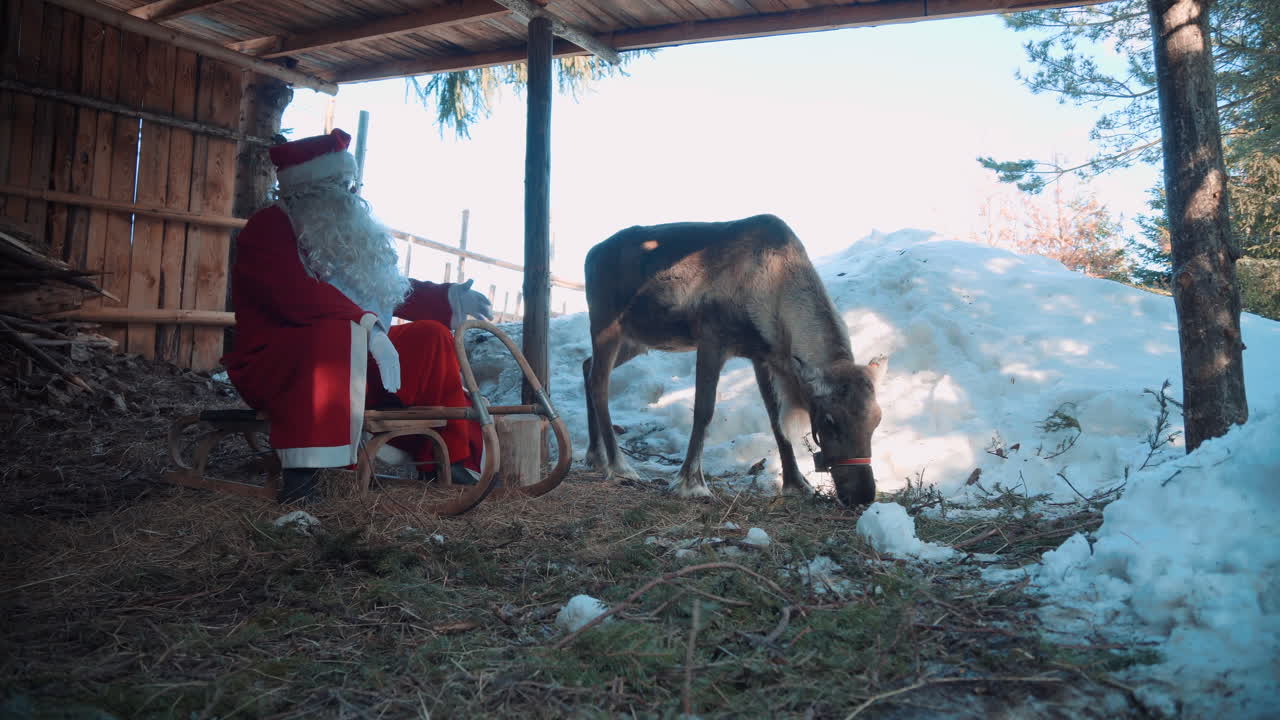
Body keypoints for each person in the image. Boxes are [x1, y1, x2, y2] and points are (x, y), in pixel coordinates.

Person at [222, 129, 493, 503]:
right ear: (309, 188)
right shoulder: (268, 228)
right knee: (332, 333)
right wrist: (366, 325)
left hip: (356, 355)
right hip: (283, 362)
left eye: (350, 182)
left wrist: (447, 297)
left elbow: (386, 286)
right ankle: (304, 476)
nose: (350, 193)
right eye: (339, 183)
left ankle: (447, 459)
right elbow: (296, 295)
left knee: (430, 335)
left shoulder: (342, 234)